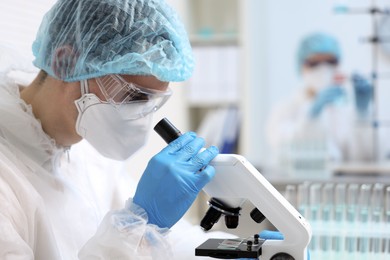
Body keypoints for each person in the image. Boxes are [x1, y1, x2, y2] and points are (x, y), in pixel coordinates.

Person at [0, 0, 282, 259]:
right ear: (66, 62)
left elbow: (165, 242)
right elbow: (133, 235)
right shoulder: (7, 178)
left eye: (155, 101)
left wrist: (241, 251)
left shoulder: (88, 153)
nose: (143, 117)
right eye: (135, 97)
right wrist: (140, 221)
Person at [267, 32, 374, 174]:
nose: (323, 68)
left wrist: (362, 112)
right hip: (300, 188)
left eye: (330, 61)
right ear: (301, 66)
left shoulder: (346, 109)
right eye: (314, 62)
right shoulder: (285, 109)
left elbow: (366, 156)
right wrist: (311, 115)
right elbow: (284, 149)